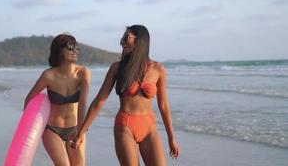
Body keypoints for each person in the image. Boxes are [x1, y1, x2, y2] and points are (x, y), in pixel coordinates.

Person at [71, 25, 180, 165]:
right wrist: (81, 131)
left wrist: (171, 137)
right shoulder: (117, 68)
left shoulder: (158, 69)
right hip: (125, 126)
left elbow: (163, 105)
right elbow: (99, 101)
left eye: (126, 38)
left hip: (149, 127)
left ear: (140, 41)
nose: (122, 42)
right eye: (122, 38)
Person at [24, 34, 90, 166]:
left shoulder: (83, 73)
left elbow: (83, 104)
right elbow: (29, 99)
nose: (75, 50)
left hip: (75, 128)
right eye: (71, 47)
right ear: (59, 51)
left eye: (76, 47)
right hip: (52, 129)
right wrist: (32, 129)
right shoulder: (49, 76)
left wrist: (80, 131)